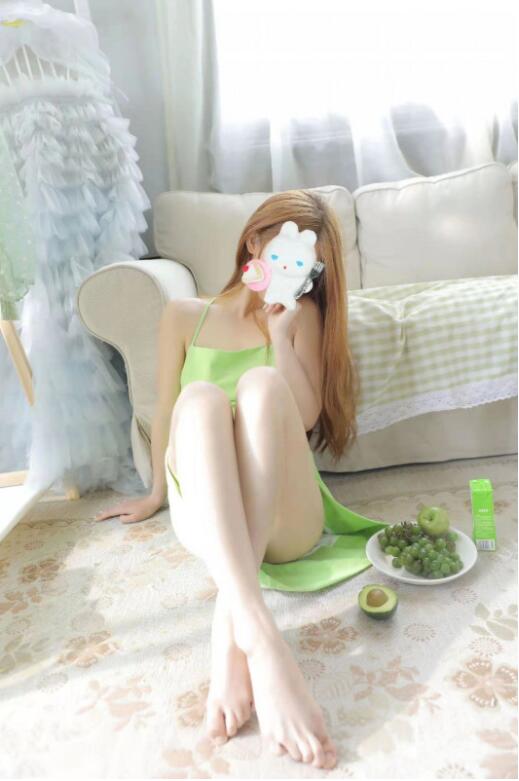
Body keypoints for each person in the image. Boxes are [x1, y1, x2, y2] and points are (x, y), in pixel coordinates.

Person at [95, 189, 363, 770]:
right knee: (198, 398)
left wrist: (281, 338)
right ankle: (262, 642)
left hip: (284, 517)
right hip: (208, 510)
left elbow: (306, 416)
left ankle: (234, 630)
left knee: (261, 387)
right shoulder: (183, 315)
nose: (295, 271)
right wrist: (156, 493)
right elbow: (166, 410)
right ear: (255, 243)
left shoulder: (301, 317)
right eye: (285, 252)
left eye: (309, 265)